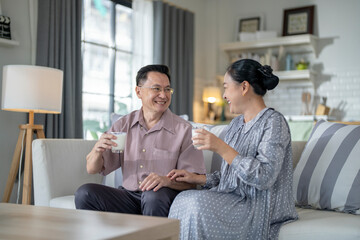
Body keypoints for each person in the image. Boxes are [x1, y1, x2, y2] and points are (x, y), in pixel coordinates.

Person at [168, 59, 298, 239]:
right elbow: (231, 177)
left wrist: (221, 148)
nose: (223, 95)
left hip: (258, 206)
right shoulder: (236, 124)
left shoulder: (274, 122)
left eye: (226, 87)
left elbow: (264, 177)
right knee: (184, 198)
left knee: (196, 204)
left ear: (244, 87)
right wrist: (197, 178)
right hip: (233, 198)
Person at [75, 64, 206, 217]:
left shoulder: (184, 130)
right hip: (129, 196)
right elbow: (92, 169)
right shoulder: (123, 125)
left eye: (167, 89)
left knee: (153, 196)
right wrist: (97, 150)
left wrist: (166, 181)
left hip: (163, 196)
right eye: (156, 89)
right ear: (139, 91)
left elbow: (192, 181)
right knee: (85, 193)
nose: (163, 95)